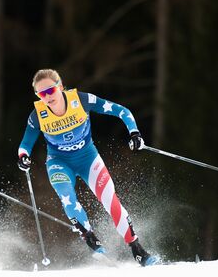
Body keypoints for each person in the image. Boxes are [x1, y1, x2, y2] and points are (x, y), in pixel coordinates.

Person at [17, 69, 159, 266]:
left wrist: (134, 133)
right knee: (67, 195)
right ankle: (91, 238)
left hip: (88, 158)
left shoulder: (82, 100)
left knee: (110, 200)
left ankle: (138, 250)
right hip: (58, 162)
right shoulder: (37, 115)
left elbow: (121, 111)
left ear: (60, 86)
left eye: (50, 90)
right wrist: (23, 157)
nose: (47, 97)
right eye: (41, 94)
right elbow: (25, 143)